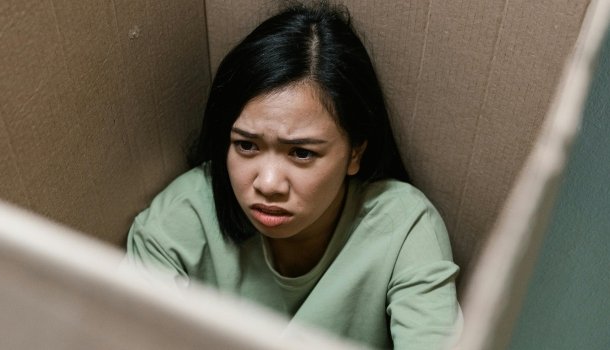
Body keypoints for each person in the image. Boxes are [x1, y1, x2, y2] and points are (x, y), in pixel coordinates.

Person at [125, 2, 460, 349]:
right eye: (246, 146)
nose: (268, 184)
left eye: (302, 153)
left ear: (355, 153)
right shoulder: (178, 222)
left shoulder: (402, 226)